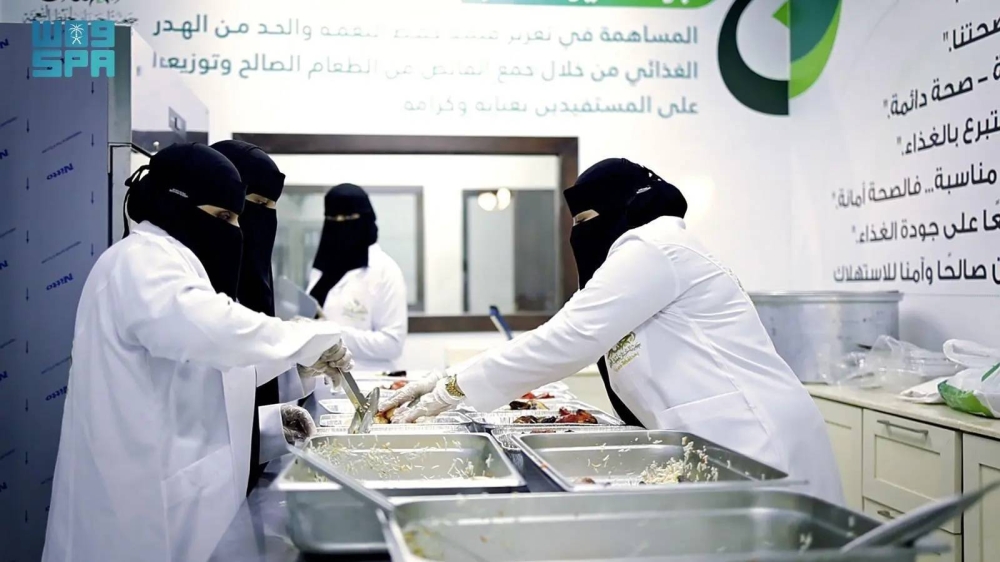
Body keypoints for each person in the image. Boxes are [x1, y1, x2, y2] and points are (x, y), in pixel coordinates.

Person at [380, 158, 843, 505]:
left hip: (758, 438)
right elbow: (566, 330)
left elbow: (567, 339)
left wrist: (452, 388)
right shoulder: (638, 257)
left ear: (625, 207)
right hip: (718, 442)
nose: (580, 235)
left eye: (586, 221)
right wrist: (445, 380)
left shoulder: (654, 246)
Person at [42, 143, 354, 562]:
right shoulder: (139, 260)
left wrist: (299, 367)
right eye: (224, 217)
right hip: (130, 513)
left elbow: (216, 367)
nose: (237, 231)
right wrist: (309, 337)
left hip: (182, 502)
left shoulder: (181, 264)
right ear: (177, 203)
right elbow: (212, 332)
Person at [211, 139, 314, 495]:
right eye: (254, 204)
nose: (262, 217)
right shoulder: (191, 278)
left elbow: (243, 379)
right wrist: (301, 346)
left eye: (271, 207)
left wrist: (271, 422)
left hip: (239, 471)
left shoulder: (254, 277)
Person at [307, 183, 408, 372]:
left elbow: (392, 344)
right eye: (332, 218)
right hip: (315, 379)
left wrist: (331, 334)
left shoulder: (385, 270)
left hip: (363, 380)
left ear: (366, 219)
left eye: (348, 218)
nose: (340, 224)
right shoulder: (321, 268)